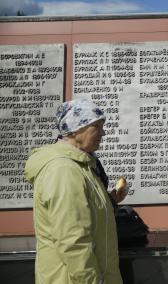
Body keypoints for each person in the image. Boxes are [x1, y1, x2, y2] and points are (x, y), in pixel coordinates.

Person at [25, 99, 124, 284]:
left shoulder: (81, 166)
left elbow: (84, 216)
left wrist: (110, 202)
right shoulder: (63, 170)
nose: (103, 132)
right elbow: (73, 240)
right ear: (76, 129)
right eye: (96, 126)